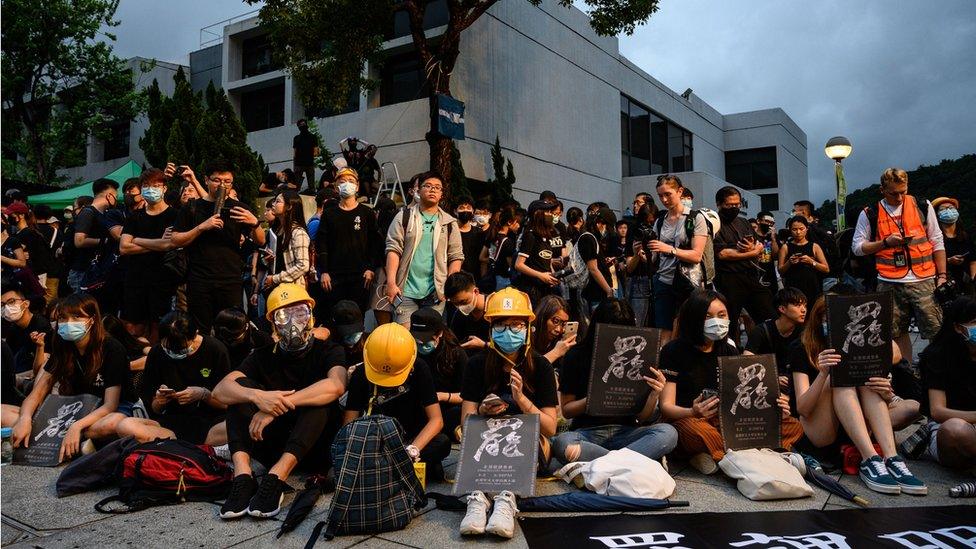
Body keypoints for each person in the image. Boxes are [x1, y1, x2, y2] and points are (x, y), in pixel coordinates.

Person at [213, 284, 347, 519]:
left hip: (313, 446)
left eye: (300, 313)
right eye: (283, 316)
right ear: (273, 324)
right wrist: (259, 397)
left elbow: (336, 385)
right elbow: (220, 391)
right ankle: (243, 477)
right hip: (273, 442)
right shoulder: (263, 355)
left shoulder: (329, 350)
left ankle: (277, 477)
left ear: (311, 316)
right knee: (239, 391)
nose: (293, 323)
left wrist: (275, 408)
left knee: (320, 399)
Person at [789, 292, 926, 495]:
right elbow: (803, 408)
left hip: (853, 424)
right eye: (829, 320)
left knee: (868, 379)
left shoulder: (861, 342)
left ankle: (891, 458)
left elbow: (895, 352)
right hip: (820, 431)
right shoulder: (803, 347)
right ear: (819, 321)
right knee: (838, 378)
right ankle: (870, 458)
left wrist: (884, 390)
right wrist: (824, 373)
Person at [659, 289, 798, 474]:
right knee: (697, 432)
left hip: (724, 421)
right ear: (694, 318)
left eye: (721, 315)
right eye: (707, 316)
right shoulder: (673, 351)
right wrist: (692, 411)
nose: (716, 321)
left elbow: (742, 398)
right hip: (688, 419)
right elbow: (666, 406)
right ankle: (744, 454)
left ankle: (717, 454)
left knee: (793, 424)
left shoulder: (729, 350)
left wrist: (773, 408)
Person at [459, 287, 558, 539]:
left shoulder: (541, 366)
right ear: (491, 329)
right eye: (502, 325)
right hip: (486, 442)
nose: (509, 331)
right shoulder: (476, 364)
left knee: (523, 434)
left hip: (527, 444)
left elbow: (550, 427)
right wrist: (482, 410)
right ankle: (478, 497)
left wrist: (522, 400)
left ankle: (506, 499)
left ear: (527, 329)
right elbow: (466, 424)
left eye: (516, 325)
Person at [4, 293, 139, 461]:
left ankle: (66, 438)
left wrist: (76, 427)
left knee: (113, 423)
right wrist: (24, 419)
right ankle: (81, 443)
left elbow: (110, 405)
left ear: (92, 319)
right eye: (63, 318)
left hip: (109, 411)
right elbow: (37, 393)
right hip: (74, 410)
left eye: (76, 317)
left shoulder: (112, 348)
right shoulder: (62, 345)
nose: (68, 323)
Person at [553, 299, 678, 465]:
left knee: (668, 433)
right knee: (563, 443)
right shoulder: (576, 355)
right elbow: (567, 410)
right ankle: (633, 461)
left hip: (626, 433)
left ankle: (606, 463)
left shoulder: (638, 357)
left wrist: (654, 394)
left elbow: (641, 417)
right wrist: (594, 397)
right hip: (587, 434)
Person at [852, 168, 947, 363]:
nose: (900, 197)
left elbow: (937, 240)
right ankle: (907, 371)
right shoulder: (870, 212)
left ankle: (938, 371)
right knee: (894, 333)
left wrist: (942, 275)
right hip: (889, 281)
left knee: (936, 329)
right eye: (893, 193)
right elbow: (857, 248)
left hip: (924, 279)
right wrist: (884, 243)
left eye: (903, 191)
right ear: (882, 190)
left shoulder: (922, 205)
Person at [344, 322, 451, 479]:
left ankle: (385, 470)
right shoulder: (361, 374)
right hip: (376, 442)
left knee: (442, 443)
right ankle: (399, 469)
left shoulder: (420, 368)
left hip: (412, 439)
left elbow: (436, 420)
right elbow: (348, 425)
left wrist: (414, 448)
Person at [171, 161, 264, 334]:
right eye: (217, 180)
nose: (222, 185)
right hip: (199, 280)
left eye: (227, 181)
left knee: (232, 329)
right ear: (206, 180)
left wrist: (255, 223)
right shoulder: (192, 207)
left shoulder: (240, 208)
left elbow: (260, 241)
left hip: (230, 280)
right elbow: (175, 240)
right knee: (200, 331)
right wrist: (201, 227)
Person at [115, 311, 229, 445]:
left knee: (238, 425)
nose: (174, 353)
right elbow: (154, 408)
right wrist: (160, 400)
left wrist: (203, 394)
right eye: (168, 349)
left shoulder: (215, 349)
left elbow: (226, 404)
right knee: (124, 426)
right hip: (171, 424)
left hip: (210, 423)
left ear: (195, 334)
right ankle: (180, 447)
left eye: (180, 349)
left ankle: (177, 447)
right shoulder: (157, 353)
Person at [384, 171, 463, 325]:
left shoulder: (450, 223)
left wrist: (449, 286)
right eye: (428, 186)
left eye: (437, 188)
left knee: (430, 338)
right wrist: (391, 283)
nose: (433, 190)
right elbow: (393, 250)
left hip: (436, 293)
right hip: (405, 290)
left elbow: (456, 256)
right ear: (418, 190)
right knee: (404, 339)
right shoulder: (403, 217)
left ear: (442, 194)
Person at [912, 296, 976, 470]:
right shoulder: (939, 356)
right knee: (954, 429)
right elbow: (937, 411)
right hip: (949, 429)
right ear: (957, 327)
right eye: (974, 322)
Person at [648, 175, 708, 343]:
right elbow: (654, 257)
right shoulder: (660, 221)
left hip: (687, 282)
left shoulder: (695, 218)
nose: (664, 199)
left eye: (668, 194)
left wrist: (670, 249)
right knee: (663, 330)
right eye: (660, 196)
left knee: (688, 328)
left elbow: (697, 255)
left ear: (680, 191)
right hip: (663, 281)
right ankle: (665, 364)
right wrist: (644, 253)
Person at [119, 169, 178, 343]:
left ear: (164, 188)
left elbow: (170, 244)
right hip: (135, 279)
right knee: (132, 327)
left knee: (159, 328)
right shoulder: (134, 217)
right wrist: (158, 243)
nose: (151, 189)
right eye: (146, 186)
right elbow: (124, 248)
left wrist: (136, 240)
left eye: (156, 185)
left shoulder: (174, 216)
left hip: (163, 280)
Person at [315, 167, 383, 316]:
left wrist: (370, 268)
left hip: (361, 275)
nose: (347, 184)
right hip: (334, 276)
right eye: (343, 181)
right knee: (336, 315)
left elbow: (375, 243)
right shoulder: (329, 214)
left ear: (357, 186)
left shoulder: (367, 213)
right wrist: (324, 271)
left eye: (351, 181)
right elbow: (322, 243)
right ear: (336, 185)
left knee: (358, 315)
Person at [712, 186, 775, 340]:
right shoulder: (714, 223)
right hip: (729, 279)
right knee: (731, 321)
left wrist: (752, 247)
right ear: (719, 204)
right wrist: (752, 252)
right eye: (729, 205)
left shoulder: (744, 222)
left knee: (768, 315)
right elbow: (722, 253)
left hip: (751, 276)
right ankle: (731, 354)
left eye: (737, 205)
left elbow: (760, 244)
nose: (734, 208)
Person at [409, 307, 467, 440]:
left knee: (456, 414)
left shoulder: (456, 354)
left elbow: (467, 396)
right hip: (419, 407)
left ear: (439, 333)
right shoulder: (409, 351)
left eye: (426, 339)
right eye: (417, 340)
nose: (422, 344)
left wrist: (439, 396)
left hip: (446, 406)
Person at [744, 287, 807, 396]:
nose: (803, 310)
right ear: (782, 309)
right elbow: (745, 362)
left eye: (805, 305)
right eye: (798, 305)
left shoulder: (804, 332)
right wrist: (773, 379)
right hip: (765, 387)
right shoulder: (761, 331)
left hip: (795, 385)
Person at [68, 178, 123, 295]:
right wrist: (105, 241)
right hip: (83, 272)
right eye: (116, 196)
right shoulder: (88, 212)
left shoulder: (103, 214)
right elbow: (79, 241)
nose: (116, 199)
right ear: (109, 196)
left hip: (95, 271)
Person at [4, 203, 58, 304]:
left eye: (12, 215)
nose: (9, 218)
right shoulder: (25, 232)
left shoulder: (28, 233)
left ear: (21, 215)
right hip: (37, 276)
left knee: (42, 306)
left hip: (41, 277)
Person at [513, 200, 563, 306]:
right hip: (531, 290)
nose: (551, 215)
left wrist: (553, 276)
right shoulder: (530, 235)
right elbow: (519, 265)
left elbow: (547, 260)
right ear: (537, 214)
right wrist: (540, 275)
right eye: (548, 212)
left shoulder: (548, 236)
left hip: (545, 289)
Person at [264, 190, 311, 290]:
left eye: (278, 201)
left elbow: (303, 265)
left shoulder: (298, 232)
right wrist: (267, 259)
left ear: (289, 207)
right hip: (275, 287)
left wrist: (275, 278)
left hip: (291, 290)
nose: (273, 204)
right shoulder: (277, 230)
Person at [778, 216, 830, 305]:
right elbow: (780, 271)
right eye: (794, 229)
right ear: (790, 230)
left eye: (801, 229)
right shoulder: (786, 247)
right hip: (793, 289)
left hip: (812, 287)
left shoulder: (814, 246)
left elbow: (826, 269)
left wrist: (811, 262)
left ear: (807, 229)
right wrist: (789, 262)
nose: (798, 232)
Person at [932, 197, 975, 296]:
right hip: (945, 284)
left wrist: (972, 278)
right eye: (943, 209)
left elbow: (973, 259)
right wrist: (948, 261)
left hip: (966, 283)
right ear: (936, 215)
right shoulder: (935, 239)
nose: (948, 211)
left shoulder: (965, 236)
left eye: (951, 208)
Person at [577, 207, 617, 314]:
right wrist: (608, 290)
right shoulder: (588, 238)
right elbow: (593, 269)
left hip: (599, 292)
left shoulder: (593, 238)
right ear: (600, 223)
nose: (608, 231)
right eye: (608, 227)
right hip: (595, 293)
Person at [626, 200, 659, 327]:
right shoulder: (635, 232)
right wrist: (636, 255)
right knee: (637, 324)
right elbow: (629, 268)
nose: (648, 228)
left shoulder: (662, 231)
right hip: (639, 281)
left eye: (651, 224)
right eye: (645, 224)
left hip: (658, 281)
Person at [793, 200, 840, 288]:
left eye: (795, 212)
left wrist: (812, 261)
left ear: (803, 212)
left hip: (825, 277)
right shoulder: (801, 231)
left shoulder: (816, 230)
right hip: (809, 278)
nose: (793, 215)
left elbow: (828, 251)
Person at [443, 271, 492, 352]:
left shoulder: (496, 310)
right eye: (455, 304)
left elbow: (510, 346)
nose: (460, 307)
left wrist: (484, 345)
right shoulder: (458, 315)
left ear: (476, 291)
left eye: (463, 302)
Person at [530, 295, 576, 370]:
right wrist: (556, 352)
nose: (559, 329)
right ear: (542, 318)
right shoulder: (526, 338)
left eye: (563, 324)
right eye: (555, 321)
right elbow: (530, 371)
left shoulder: (559, 341)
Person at [483, 205, 520, 291]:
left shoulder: (493, 235)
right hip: (503, 279)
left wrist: (492, 260)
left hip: (491, 275)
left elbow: (481, 257)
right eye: (516, 222)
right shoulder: (507, 242)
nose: (518, 225)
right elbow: (512, 265)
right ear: (510, 222)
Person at [455, 196, 484, 277]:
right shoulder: (450, 231)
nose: (465, 210)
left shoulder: (479, 233)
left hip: (473, 277)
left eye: (468, 208)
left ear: (473, 211)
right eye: (461, 208)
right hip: (453, 274)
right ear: (455, 211)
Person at [755, 211, 780, 289]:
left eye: (771, 223)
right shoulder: (752, 235)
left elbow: (776, 255)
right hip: (755, 272)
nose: (769, 224)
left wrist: (773, 239)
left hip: (769, 274)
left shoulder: (773, 238)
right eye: (766, 221)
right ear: (758, 221)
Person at [293, 119, 319, 192]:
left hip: (302, 163)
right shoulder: (312, 137)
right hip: (306, 162)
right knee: (310, 185)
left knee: (298, 186)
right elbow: (316, 152)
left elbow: (294, 153)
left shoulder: (297, 138)